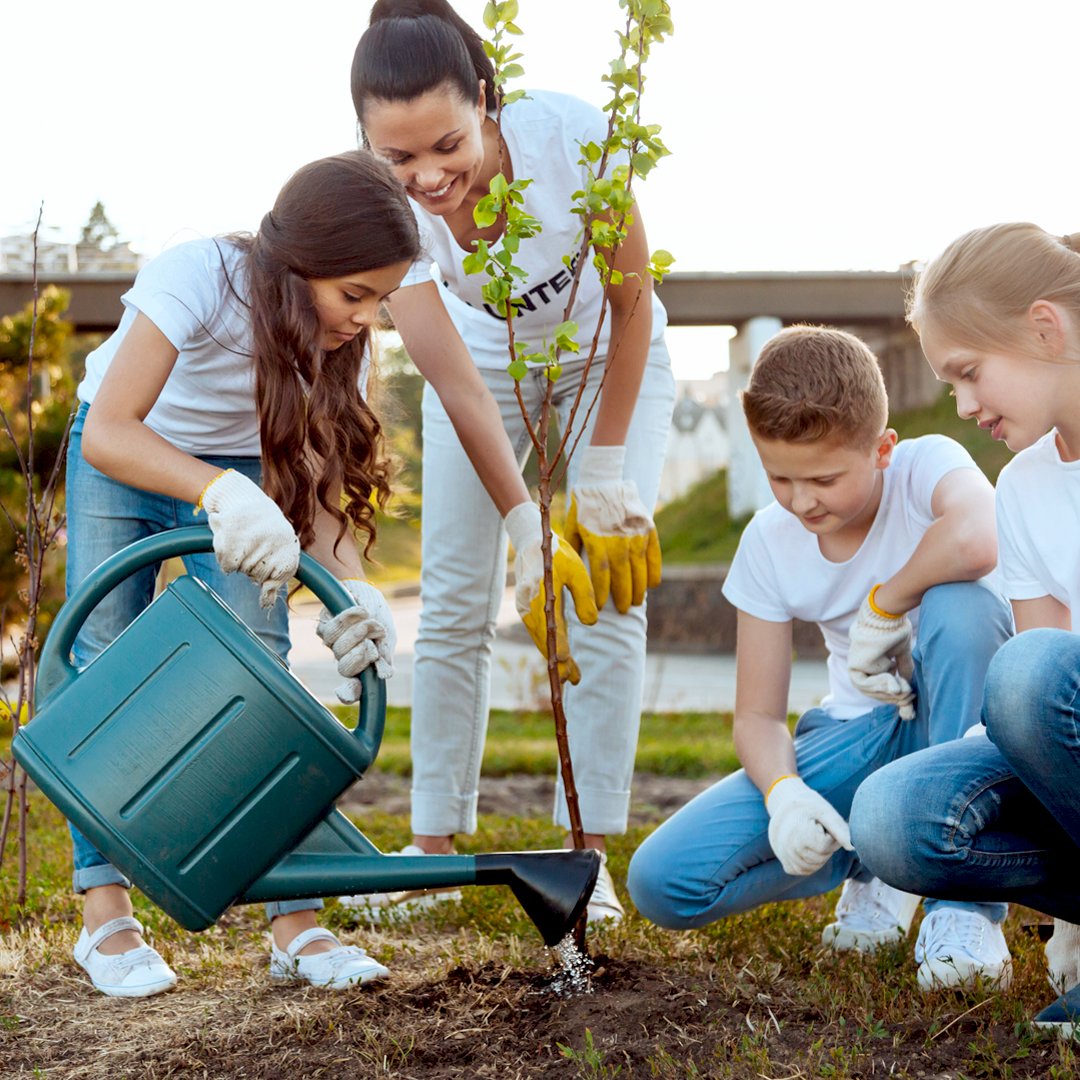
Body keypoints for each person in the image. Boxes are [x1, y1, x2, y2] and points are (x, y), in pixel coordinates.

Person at [344, 0, 676, 923]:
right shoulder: (384, 212)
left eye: (445, 145)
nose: (427, 176)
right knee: (453, 600)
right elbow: (453, 380)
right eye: (398, 158)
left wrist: (601, 471)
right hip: (484, 372)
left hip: (609, 356)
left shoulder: (577, 136)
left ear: (487, 98)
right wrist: (525, 520)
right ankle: (434, 847)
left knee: (606, 594)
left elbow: (634, 302)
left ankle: (589, 856)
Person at [65, 150, 421, 996]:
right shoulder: (199, 277)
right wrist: (218, 490)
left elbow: (326, 489)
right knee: (102, 665)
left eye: (381, 299)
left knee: (262, 676)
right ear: (299, 266)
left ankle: (295, 921)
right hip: (126, 454)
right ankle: (105, 915)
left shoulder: (342, 346)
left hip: (246, 472)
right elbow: (112, 430)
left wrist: (353, 592)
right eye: (354, 295)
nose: (366, 319)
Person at [627, 325, 1014, 988]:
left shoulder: (925, 466)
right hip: (862, 734)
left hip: (964, 730)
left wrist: (885, 605)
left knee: (963, 604)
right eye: (780, 476)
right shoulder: (770, 542)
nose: (802, 500)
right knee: (662, 881)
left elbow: (982, 535)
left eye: (825, 478)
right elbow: (756, 716)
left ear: (882, 449)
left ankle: (962, 908)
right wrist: (784, 796)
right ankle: (877, 864)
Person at [851, 224, 1080, 1035]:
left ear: (1045, 329)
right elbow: (1038, 721)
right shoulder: (1021, 486)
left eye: (970, 373)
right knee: (890, 816)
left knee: (1026, 673)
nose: (963, 405)